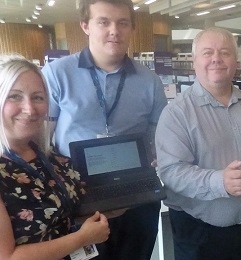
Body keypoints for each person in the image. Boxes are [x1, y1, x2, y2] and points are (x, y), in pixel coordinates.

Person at [0, 54, 110, 259]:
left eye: (37, 97)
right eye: (14, 96)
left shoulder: (44, 155)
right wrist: (82, 238)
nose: (29, 109)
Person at [41, 0, 167, 258]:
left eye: (123, 23)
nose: (114, 30)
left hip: (135, 194)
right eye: (104, 22)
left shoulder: (150, 82)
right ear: (85, 26)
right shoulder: (56, 74)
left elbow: (158, 137)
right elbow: (43, 139)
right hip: (79, 194)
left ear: (132, 28)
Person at [155, 27, 241, 260]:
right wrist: (219, 181)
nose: (216, 59)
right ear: (194, 61)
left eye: (225, 52)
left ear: (236, 60)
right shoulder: (176, 113)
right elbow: (171, 172)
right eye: (207, 52)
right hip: (200, 234)